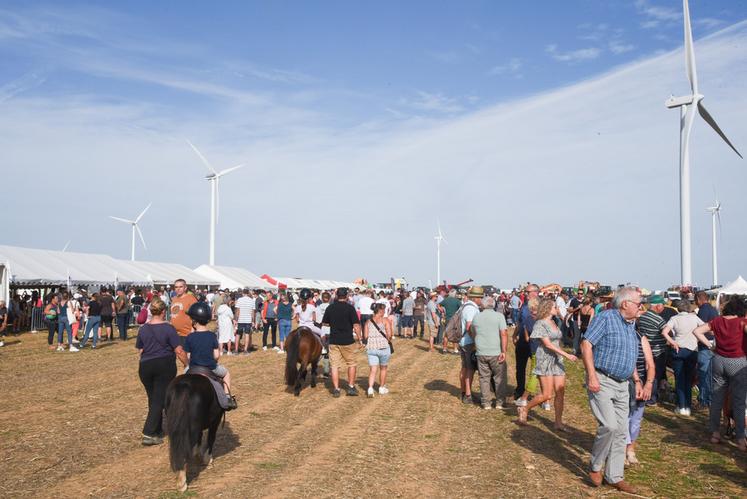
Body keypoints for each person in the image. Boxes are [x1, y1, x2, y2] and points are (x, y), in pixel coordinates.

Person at [581, 287, 642, 494]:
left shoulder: (631, 325)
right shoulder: (606, 318)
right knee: (608, 425)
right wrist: (591, 375)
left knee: (620, 431)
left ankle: (614, 476)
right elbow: (587, 344)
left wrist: (636, 379)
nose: (640, 307)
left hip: (623, 384)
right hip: (602, 379)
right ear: (625, 304)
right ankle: (596, 465)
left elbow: (630, 354)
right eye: (638, 304)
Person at [692, 297, 747, 451]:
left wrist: (711, 346)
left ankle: (715, 433)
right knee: (739, 401)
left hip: (719, 360)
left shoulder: (717, 321)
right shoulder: (742, 322)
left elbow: (697, 331)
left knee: (717, 398)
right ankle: (741, 438)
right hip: (738, 361)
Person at [136, 298, 189, 445]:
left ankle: (157, 430)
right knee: (159, 399)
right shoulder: (168, 328)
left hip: (145, 366)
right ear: (164, 311)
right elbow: (178, 350)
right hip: (164, 365)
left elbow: (140, 350)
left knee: (153, 398)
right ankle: (148, 432)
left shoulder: (143, 329)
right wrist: (187, 365)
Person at [518, 299, 577, 427]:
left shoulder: (554, 322)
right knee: (547, 394)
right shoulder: (540, 323)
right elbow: (547, 344)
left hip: (557, 359)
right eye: (555, 307)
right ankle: (525, 409)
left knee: (560, 392)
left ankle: (558, 422)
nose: (557, 308)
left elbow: (556, 341)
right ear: (547, 308)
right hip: (545, 359)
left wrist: (561, 354)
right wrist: (566, 354)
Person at [183, 301, 237, 410]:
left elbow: (188, 357)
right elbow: (217, 355)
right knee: (226, 373)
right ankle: (227, 398)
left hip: (193, 368)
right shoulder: (212, 336)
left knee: (183, 375)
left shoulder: (189, 337)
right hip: (210, 368)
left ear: (194, 321)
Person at [661, 300, 704, 416]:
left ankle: (681, 406)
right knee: (689, 379)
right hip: (692, 351)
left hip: (678, 350)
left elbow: (664, 332)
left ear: (678, 308)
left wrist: (672, 342)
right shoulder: (694, 318)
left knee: (679, 379)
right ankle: (688, 407)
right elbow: (705, 327)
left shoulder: (674, 318)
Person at [322, 288, 361, 397]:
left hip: (334, 340)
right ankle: (351, 387)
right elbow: (356, 325)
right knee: (351, 364)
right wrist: (360, 338)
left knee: (334, 366)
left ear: (336, 296)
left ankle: (336, 389)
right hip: (348, 340)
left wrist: (334, 324)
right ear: (347, 296)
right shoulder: (350, 308)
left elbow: (325, 323)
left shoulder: (330, 308)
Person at [471, 296, 509, 410]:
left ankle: (486, 402)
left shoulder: (477, 317)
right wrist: (504, 351)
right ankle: (500, 402)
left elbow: (473, 332)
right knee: (499, 378)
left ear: (483, 305)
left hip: (481, 351)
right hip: (496, 351)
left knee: (484, 378)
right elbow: (503, 334)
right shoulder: (499, 316)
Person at [625, 324, 655, 465]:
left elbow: (650, 363)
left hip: (641, 381)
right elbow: (630, 363)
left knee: (636, 419)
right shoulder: (622, 338)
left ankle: (631, 449)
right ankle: (620, 450)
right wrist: (636, 381)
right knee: (625, 417)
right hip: (626, 381)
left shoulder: (640, 337)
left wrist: (649, 384)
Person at [638, 295, 668, 406]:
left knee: (646, 374)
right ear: (658, 306)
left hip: (645, 350)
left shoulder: (642, 316)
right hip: (657, 351)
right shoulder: (658, 319)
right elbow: (668, 332)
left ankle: (644, 394)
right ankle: (651, 398)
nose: (664, 307)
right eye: (663, 305)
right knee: (654, 375)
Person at [513, 284, 539, 406]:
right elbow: (520, 323)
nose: (526, 294)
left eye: (528, 292)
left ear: (536, 292)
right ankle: (520, 391)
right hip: (523, 342)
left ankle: (535, 394)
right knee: (520, 368)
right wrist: (514, 335)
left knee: (536, 370)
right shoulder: (523, 306)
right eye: (526, 292)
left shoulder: (542, 306)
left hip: (536, 343)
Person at [458, 287, 483, 405]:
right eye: (480, 298)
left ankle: (464, 392)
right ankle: (468, 395)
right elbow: (469, 327)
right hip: (468, 343)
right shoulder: (472, 309)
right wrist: (476, 340)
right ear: (476, 298)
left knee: (464, 368)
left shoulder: (464, 306)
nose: (481, 300)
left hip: (462, 341)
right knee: (470, 370)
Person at [695, 291, 718, 409]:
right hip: (714, 344)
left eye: (696, 301)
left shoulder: (703, 310)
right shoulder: (714, 309)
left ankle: (704, 400)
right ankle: (710, 399)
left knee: (703, 374)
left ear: (699, 299)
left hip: (705, 345)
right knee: (711, 375)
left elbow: (699, 328)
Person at [364, 303, 392, 397]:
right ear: (380, 311)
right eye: (384, 310)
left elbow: (366, 336)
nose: (384, 312)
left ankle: (370, 388)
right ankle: (381, 387)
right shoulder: (385, 320)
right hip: (383, 347)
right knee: (383, 368)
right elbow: (389, 334)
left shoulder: (368, 321)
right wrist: (388, 340)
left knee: (373, 370)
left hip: (371, 348)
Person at [170, 279, 198, 347]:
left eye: (180, 287)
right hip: (175, 333)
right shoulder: (174, 299)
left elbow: (196, 315)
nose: (178, 289)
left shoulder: (191, 298)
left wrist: (193, 328)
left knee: (186, 356)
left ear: (185, 288)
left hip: (187, 334)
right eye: (176, 287)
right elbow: (174, 314)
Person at [234, 288, 255, 355]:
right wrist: (253, 320)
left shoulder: (239, 300)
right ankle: (245, 350)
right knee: (247, 334)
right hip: (248, 320)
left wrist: (236, 319)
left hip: (240, 320)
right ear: (248, 293)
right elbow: (253, 312)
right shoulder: (251, 300)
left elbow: (237, 311)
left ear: (243, 293)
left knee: (238, 335)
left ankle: (236, 350)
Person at [440, 289, 461, 354]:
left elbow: (438, 305)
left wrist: (442, 311)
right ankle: (455, 350)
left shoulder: (446, 300)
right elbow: (461, 308)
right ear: (454, 294)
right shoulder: (457, 301)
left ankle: (444, 349)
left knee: (446, 334)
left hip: (447, 319)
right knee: (454, 335)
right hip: (454, 319)